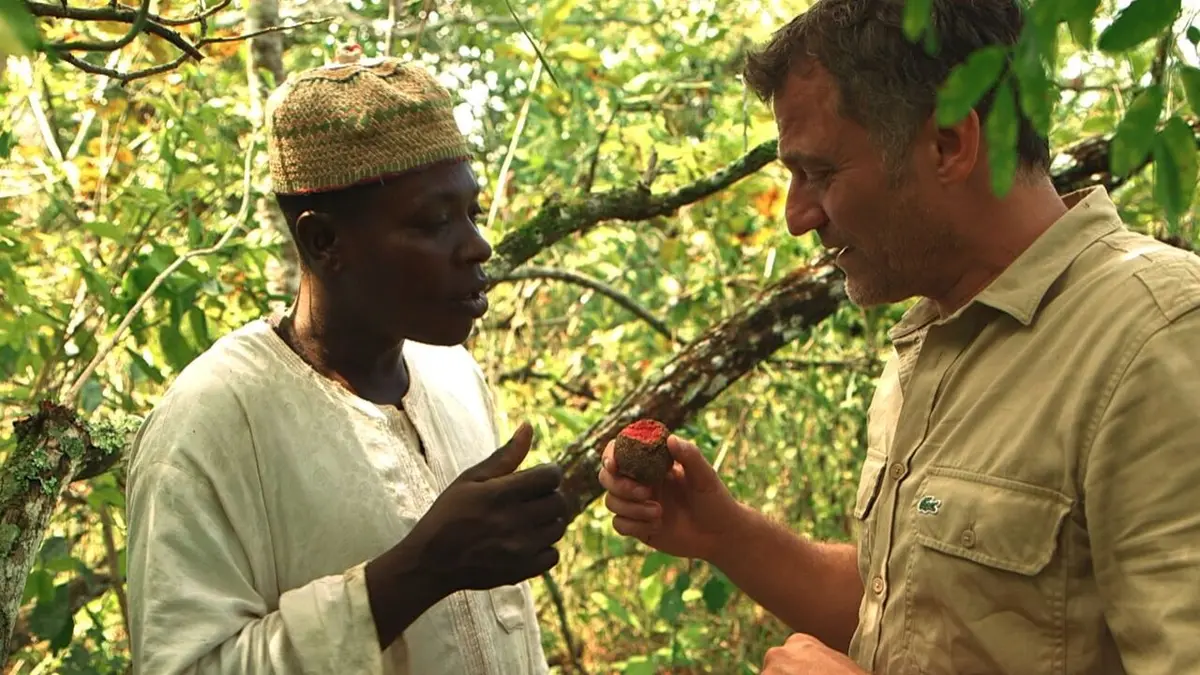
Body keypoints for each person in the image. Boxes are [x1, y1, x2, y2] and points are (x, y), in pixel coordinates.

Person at [600, 1, 1200, 673]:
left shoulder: (1158, 340)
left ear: (949, 144)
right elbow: (916, 612)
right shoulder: (931, 339)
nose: (797, 216)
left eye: (819, 173)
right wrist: (724, 532)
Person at [125, 50, 566, 674]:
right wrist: (422, 569)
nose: (477, 245)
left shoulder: (453, 375)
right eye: (435, 222)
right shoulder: (214, 420)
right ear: (323, 242)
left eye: (470, 211)